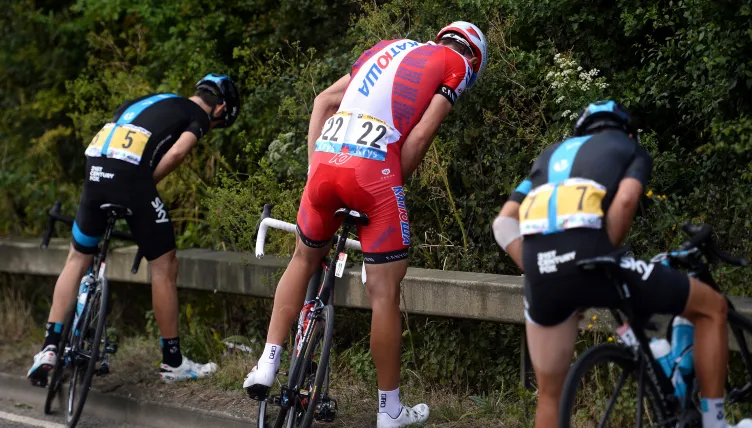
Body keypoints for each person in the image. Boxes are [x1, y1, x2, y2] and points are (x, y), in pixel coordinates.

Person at [243, 21, 487, 427]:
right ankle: (389, 409)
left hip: (325, 161)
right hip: (373, 173)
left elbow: (323, 101)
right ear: (474, 59)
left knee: (303, 258)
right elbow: (423, 133)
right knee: (384, 293)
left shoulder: (385, 48)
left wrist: (313, 176)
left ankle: (268, 362)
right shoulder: (458, 63)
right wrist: (393, 181)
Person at [492, 100, 752, 428]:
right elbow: (628, 198)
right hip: (592, 259)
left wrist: (543, 267)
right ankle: (716, 423)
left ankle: (657, 355)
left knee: (549, 395)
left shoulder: (547, 156)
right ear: (628, 131)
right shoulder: (630, 148)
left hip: (540, 275)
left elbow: (502, 225)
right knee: (712, 308)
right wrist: (598, 258)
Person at [27, 74, 240, 384]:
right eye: (219, 123)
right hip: (129, 178)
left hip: (95, 170)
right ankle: (172, 362)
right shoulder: (197, 115)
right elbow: (178, 152)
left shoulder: (151, 101)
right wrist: (143, 186)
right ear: (219, 109)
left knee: (77, 258)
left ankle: (49, 348)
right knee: (164, 266)